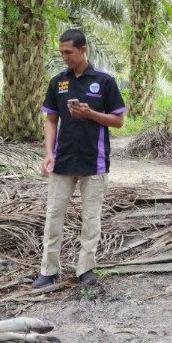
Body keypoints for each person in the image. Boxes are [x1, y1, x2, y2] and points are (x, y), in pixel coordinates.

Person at [32, 29, 126, 289]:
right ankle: (49, 270)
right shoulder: (58, 82)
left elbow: (118, 120)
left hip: (94, 162)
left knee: (91, 218)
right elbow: (51, 119)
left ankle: (86, 269)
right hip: (62, 161)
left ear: (83, 50)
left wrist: (91, 114)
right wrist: (48, 152)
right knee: (53, 216)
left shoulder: (104, 81)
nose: (65, 57)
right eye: (61, 52)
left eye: (69, 52)